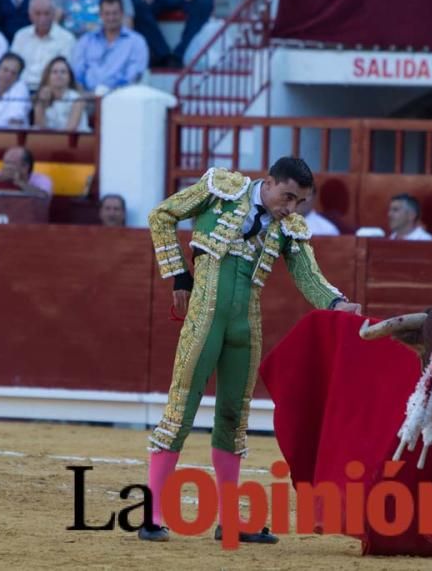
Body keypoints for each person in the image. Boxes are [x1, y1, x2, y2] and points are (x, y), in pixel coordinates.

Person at [139, 157, 361, 542]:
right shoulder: (220, 188)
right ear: (270, 182)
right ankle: (153, 514)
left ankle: (229, 519)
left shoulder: (289, 227)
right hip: (204, 319)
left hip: (245, 327)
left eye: (300, 202)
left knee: (233, 418)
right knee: (181, 408)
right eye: (288, 197)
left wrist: (337, 304)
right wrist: (178, 274)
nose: (291, 208)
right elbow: (161, 215)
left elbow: (308, 275)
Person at [70, 0, 148, 92]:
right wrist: (83, 94)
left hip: (122, 97)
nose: (111, 18)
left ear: (122, 13)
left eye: (115, 13)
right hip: (87, 97)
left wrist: (112, 94)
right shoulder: (86, 40)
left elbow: (134, 75)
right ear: (100, 15)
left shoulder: (136, 42)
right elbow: (77, 73)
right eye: (107, 14)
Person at [10, 0, 77, 90]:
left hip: (52, 91)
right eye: (38, 13)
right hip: (21, 89)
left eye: (47, 13)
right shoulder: (21, 36)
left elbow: (66, 74)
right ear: (30, 15)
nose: (42, 18)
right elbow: (13, 66)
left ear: (54, 14)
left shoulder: (67, 39)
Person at [33, 56, 89, 131]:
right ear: (47, 76)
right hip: (48, 139)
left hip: (74, 140)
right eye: (54, 72)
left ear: (70, 77)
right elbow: (40, 127)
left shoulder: (77, 99)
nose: (59, 75)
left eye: (63, 72)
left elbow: (70, 130)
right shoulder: (42, 96)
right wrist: (41, 104)